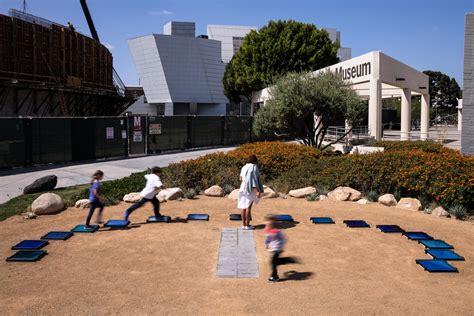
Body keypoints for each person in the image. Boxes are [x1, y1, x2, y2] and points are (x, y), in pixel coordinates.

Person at [238, 154, 264, 230]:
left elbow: (240, 178)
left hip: (242, 187)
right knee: (248, 207)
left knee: (243, 207)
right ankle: (247, 225)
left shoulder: (244, 167)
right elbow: (253, 180)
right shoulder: (254, 167)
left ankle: (243, 225)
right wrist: (257, 191)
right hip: (250, 188)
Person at [264, 215, 286, 282]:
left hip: (276, 249)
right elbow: (267, 239)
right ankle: (286, 260)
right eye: (267, 223)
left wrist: (280, 245)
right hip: (274, 248)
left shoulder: (276, 231)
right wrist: (267, 244)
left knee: (273, 263)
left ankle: (274, 276)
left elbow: (282, 239)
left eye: (269, 223)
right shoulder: (270, 230)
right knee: (274, 262)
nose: (267, 224)